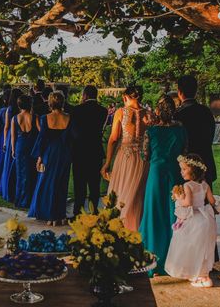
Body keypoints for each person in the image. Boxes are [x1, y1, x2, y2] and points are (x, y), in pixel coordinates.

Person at [140, 94, 187, 277]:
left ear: (157, 111)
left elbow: (145, 156)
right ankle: (174, 261)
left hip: (156, 174)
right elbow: (185, 150)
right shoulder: (181, 129)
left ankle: (154, 261)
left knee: (154, 214)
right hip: (175, 173)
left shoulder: (151, 131)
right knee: (174, 215)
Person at [100, 84, 151, 231]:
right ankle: (137, 229)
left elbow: (114, 138)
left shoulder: (121, 112)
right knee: (138, 196)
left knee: (120, 194)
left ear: (126, 97)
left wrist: (107, 163)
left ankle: (119, 229)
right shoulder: (149, 114)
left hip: (125, 157)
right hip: (143, 159)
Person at [165, 154, 217, 288]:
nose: (181, 172)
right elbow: (212, 201)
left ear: (193, 170)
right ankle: (204, 276)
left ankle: (198, 276)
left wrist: (177, 197)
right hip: (205, 219)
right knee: (203, 248)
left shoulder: (188, 185)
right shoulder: (205, 185)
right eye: (181, 169)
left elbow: (188, 203)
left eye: (184, 169)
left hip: (194, 219)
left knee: (191, 247)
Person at [28, 91, 72, 226]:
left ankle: (50, 215)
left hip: (50, 153)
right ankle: (60, 214)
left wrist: (39, 157)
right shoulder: (69, 117)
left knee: (48, 183)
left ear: (50, 103)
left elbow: (42, 139)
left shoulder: (45, 118)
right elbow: (71, 138)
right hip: (64, 153)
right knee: (61, 184)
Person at [71, 85, 109, 215]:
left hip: (80, 150)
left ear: (85, 95)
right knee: (94, 184)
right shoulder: (103, 111)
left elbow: (74, 131)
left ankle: (78, 212)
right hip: (95, 150)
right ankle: (94, 212)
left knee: (79, 184)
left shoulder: (76, 110)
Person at [174, 75, 217, 185]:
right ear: (196, 91)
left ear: (179, 92)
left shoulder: (178, 115)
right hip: (205, 162)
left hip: (186, 166)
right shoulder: (206, 112)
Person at [11, 94, 38, 208]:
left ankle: (21, 200)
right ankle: (30, 199)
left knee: (20, 174)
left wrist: (13, 149)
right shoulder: (34, 117)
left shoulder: (15, 118)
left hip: (20, 147)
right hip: (31, 146)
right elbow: (42, 132)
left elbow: (13, 137)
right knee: (31, 173)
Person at [0, 88, 22, 201]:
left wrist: (4, 142)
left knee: (8, 165)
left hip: (10, 137)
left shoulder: (9, 109)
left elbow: (6, 127)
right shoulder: (23, 109)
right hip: (21, 137)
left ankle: (7, 189)